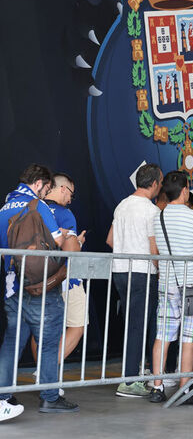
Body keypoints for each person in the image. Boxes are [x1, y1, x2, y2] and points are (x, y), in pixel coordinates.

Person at [0, 164, 78, 418]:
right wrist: (71, 237)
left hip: (12, 285)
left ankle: (2, 395)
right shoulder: (38, 205)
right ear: (38, 184)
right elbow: (58, 242)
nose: (46, 192)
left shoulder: (5, 207)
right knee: (48, 342)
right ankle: (50, 397)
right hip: (40, 285)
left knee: (12, 342)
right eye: (46, 188)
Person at [148, 171, 193, 404]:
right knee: (189, 337)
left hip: (167, 283)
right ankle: (185, 389)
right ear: (185, 191)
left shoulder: (159, 217)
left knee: (163, 336)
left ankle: (157, 387)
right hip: (192, 286)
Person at [106, 162, 162, 398]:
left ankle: (134, 374)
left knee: (133, 323)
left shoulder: (122, 205)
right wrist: (160, 269)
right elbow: (154, 249)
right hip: (142, 272)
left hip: (120, 270)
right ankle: (129, 381)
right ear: (155, 183)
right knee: (139, 326)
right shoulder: (151, 211)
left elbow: (110, 240)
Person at [29, 173, 87, 373]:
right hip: (65, 278)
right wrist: (79, 242)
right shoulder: (65, 213)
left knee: (40, 330)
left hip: (36, 279)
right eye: (71, 194)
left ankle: (41, 372)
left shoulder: (34, 209)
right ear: (62, 188)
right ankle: (47, 372)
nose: (70, 199)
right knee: (77, 324)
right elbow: (70, 250)